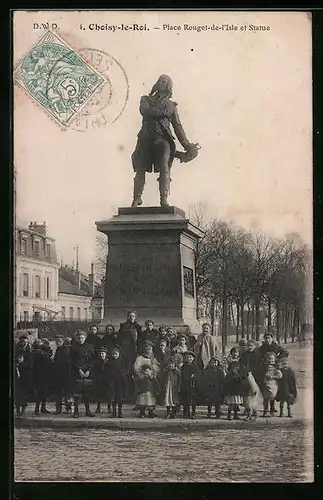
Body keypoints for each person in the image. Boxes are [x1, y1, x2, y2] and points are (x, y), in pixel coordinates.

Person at [131, 74, 196, 207]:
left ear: (168, 86)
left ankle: (163, 199)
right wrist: (163, 112)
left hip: (163, 140)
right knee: (140, 168)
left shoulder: (171, 106)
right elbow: (145, 111)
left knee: (165, 166)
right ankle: (137, 198)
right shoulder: (146, 99)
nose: (161, 82)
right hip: (146, 138)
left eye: (164, 81)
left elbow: (178, 127)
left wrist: (187, 145)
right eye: (160, 80)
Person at [69, 330, 95, 418]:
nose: (80, 339)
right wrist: (78, 370)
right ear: (76, 338)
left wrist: (88, 370)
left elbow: (91, 360)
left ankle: (88, 411)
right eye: (79, 338)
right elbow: (71, 361)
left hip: (87, 373)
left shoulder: (90, 347)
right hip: (76, 372)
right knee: (77, 393)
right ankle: (76, 412)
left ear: (85, 338)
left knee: (86, 392)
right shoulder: (73, 348)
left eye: (82, 338)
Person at [134, 340, 160, 418]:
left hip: (151, 380)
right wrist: (142, 373)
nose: (148, 351)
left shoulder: (153, 359)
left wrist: (153, 373)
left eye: (150, 349)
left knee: (151, 395)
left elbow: (157, 368)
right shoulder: (140, 358)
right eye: (147, 349)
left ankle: (150, 411)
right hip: (143, 380)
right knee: (143, 395)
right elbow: (136, 368)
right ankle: (142, 411)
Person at [118, 311, 142, 393]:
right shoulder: (123, 326)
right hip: (125, 351)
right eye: (130, 316)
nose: (131, 318)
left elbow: (140, 339)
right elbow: (119, 338)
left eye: (133, 316)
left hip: (134, 351)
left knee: (134, 371)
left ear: (135, 317)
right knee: (126, 372)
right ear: (127, 317)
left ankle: (134, 391)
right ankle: (127, 391)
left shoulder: (137, 326)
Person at [32, 339, 53, 415]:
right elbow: (48, 362)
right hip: (42, 375)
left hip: (38, 375)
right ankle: (39, 408)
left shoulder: (34, 352)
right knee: (42, 392)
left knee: (41, 392)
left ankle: (39, 408)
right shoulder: (41, 354)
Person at [53, 334, 72, 414]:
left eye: (60, 341)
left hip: (66, 374)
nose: (58, 343)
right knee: (59, 393)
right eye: (56, 341)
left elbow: (68, 362)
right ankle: (58, 408)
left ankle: (68, 408)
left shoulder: (66, 349)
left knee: (67, 392)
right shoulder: (58, 350)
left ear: (63, 341)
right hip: (58, 375)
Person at [107, 346, 127, 418]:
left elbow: (124, 372)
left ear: (119, 354)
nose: (115, 355)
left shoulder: (122, 362)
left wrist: (124, 381)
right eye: (113, 354)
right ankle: (114, 412)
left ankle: (120, 412)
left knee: (120, 398)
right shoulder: (109, 362)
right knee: (113, 398)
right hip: (112, 382)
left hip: (120, 383)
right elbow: (108, 373)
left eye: (116, 354)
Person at [180, 350, 201, 419]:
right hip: (185, 385)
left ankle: (193, 413)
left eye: (190, 357)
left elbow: (199, 374)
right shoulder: (184, 366)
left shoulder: (195, 366)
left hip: (192, 386)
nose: (189, 359)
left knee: (193, 400)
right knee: (185, 400)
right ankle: (186, 412)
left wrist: (194, 376)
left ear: (193, 358)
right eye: (187, 357)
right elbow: (181, 375)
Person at [261, 352, 283, 417]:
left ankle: (272, 411)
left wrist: (273, 377)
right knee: (265, 398)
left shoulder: (276, 367)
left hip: (273, 384)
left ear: (275, 359)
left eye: (272, 359)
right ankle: (265, 411)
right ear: (266, 359)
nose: (271, 360)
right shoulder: (264, 366)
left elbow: (280, 376)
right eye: (269, 359)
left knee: (272, 398)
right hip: (265, 384)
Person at [92, 346, 111, 414]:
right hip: (99, 380)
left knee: (108, 394)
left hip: (107, 380)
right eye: (100, 354)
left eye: (103, 353)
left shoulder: (109, 362)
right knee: (99, 394)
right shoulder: (97, 363)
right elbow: (95, 372)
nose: (101, 355)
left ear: (106, 354)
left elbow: (110, 372)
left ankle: (109, 407)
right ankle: (98, 407)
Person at [14, 354, 30, 419]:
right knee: (18, 401)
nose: (20, 359)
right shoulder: (16, 366)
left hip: (23, 385)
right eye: (19, 358)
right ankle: (18, 413)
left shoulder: (25, 366)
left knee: (23, 400)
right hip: (18, 385)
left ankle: (21, 413)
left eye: (21, 358)